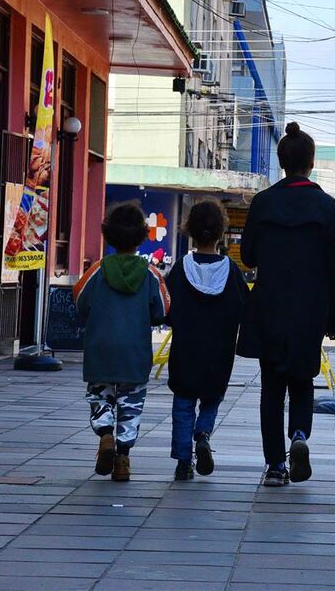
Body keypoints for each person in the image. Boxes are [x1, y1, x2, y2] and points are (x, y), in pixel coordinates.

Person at [237, 122, 335, 487]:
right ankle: (299, 435)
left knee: (272, 387)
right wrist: (334, 316)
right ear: (311, 163)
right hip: (310, 307)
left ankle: (275, 466)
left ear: (281, 162)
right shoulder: (327, 207)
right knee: (302, 379)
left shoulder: (264, 202)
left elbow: (248, 256)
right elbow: (334, 268)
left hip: (269, 305)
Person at [74, 202, 169, 482]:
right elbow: (163, 309)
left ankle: (105, 435)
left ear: (108, 235)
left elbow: (79, 300)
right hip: (135, 352)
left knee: (100, 396)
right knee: (131, 404)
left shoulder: (97, 271)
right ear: (142, 236)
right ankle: (123, 458)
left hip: (100, 349)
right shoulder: (151, 274)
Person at [164, 199, 249, 481]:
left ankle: (182, 461)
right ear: (221, 232)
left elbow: (167, 310)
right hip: (218, 353)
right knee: (212, 398)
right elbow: (243, 308)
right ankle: (203, 433)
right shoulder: (231, 271)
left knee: (183, 402)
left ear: (189, 231)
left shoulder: (180, 269)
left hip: (185, 352)